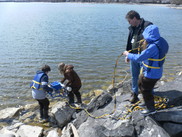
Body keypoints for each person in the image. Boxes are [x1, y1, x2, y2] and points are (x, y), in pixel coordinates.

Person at [123, 25, 169, 115]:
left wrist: (127, 54)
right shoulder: (161, 41)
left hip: (151, 74)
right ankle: (147, 102)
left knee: (145, 90)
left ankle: (151, 109)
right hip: (157, 72)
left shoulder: (153, 47)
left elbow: (139, 57)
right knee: (140, 84)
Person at [125, 10, 153, 103]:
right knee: (134, 76)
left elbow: (152, 41)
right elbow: (130, 41)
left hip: (144, 58)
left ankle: (148, 94)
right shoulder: (132, 28)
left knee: (145, 77)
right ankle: (135, 94)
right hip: (133, 56)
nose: (129, 23)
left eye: (129, 20)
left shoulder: (147, 26)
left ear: (135, 18)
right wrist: (128, 55)